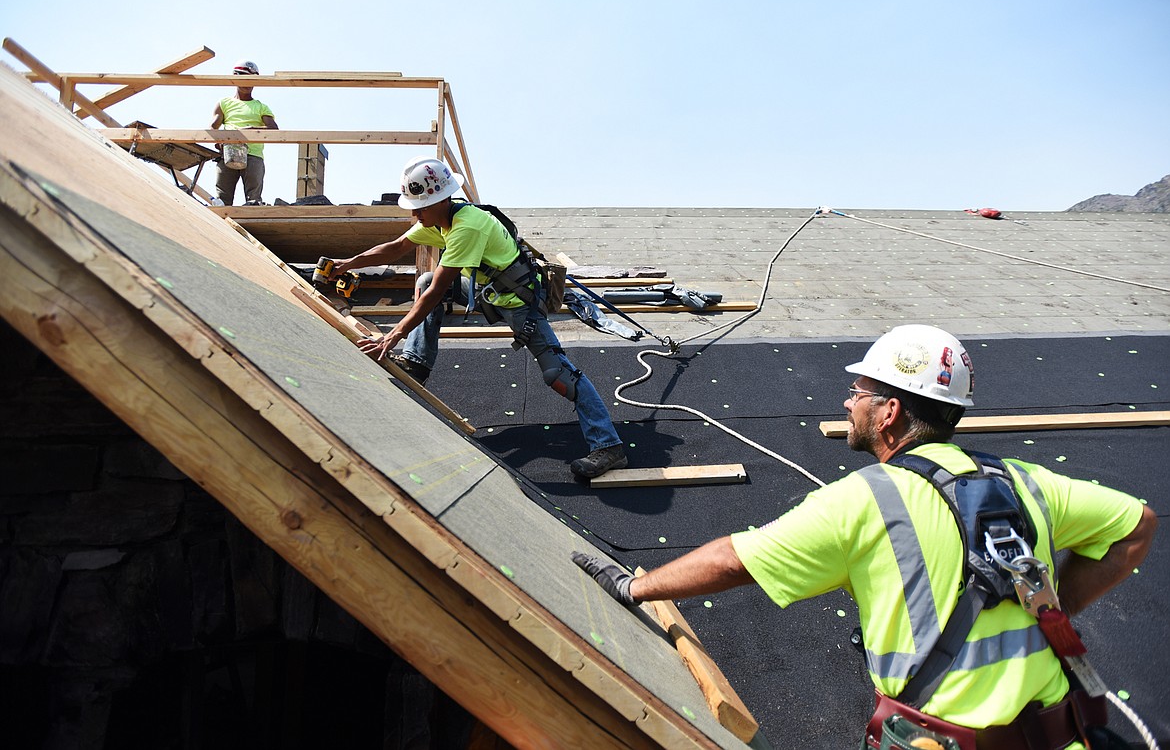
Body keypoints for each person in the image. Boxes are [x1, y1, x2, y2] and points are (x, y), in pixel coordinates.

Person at [573, 324, 1156, 748]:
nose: (847, 402)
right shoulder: (1025, 481)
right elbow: (1137, 527)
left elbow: (733, 559)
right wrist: (1053, 609)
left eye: (858, 392)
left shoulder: (865, 500)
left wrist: (633, 588)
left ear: (889, 413)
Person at [327, 157, 628, 479]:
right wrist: (349, 263)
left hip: (519, 303)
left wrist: (392, 336)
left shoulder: (467, 227)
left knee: (559, 374)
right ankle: (417, 362)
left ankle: (608, 446)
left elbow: (437, 292)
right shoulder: (440, 220)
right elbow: (396, 247)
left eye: (421, 207)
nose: (415, 214)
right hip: (488, 293)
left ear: (443, 199)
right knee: (424, 280)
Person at [210, 60, 278, 206]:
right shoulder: (224, 103)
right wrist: (217, 140)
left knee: (253, 200)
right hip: (228, 153)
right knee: (222, 201)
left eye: (251, 80)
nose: (248, 83)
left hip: (253, 155)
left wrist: (251, 131)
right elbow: (212, 128)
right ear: (235, 77)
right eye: (244, 78)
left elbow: (274, 129)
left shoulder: (261, 107)